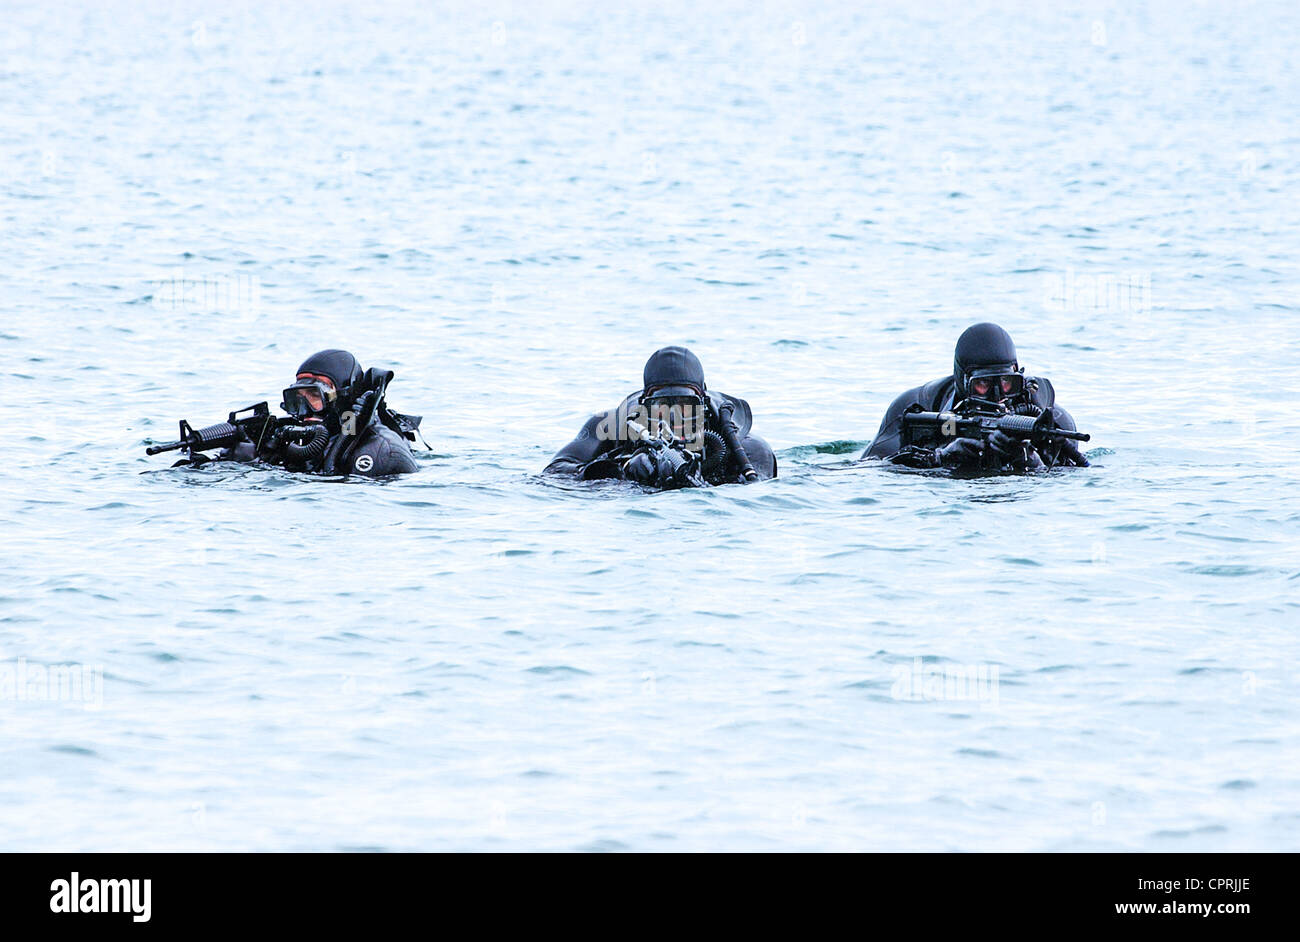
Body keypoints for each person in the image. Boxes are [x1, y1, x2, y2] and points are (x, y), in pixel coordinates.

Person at [862, 323, 1088, 471]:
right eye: (982, 384)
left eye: (1007, 383)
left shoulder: (1053, 419)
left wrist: (1028, 460)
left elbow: (1075, 477)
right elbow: (869, 468)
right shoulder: (917, 405)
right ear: (962, 380)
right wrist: (939, 458)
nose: (998, 395)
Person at [543, 346, 778, 488]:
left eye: (686, 404)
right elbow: (554, 473)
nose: (674, 416)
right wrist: (621, 471)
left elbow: (756, 492)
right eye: (662, 404)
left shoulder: (745, 445)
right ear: (645, 404)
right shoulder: (611, 425)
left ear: (703, 404)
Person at [199, 349, 421, 476]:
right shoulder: (298, 439)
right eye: (297, 399)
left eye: (315, 396)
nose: (304, 410)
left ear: (343, 398)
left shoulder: (383, 451)